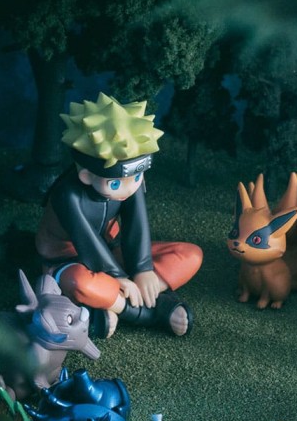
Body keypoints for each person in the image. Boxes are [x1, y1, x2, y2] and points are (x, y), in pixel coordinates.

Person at [36, 93, 202, 337]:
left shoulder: (131, 184)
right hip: (67, 261)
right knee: (79, 283)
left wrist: (143, 269)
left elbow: (136, 224)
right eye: (115, 183)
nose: (128, 188)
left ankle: (114, 303)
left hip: (113, 250)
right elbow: (86, 241)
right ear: (86, 176)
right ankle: (151, 311)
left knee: (190, 255)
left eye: (137, 177)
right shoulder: (66, 195)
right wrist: (118, 277)